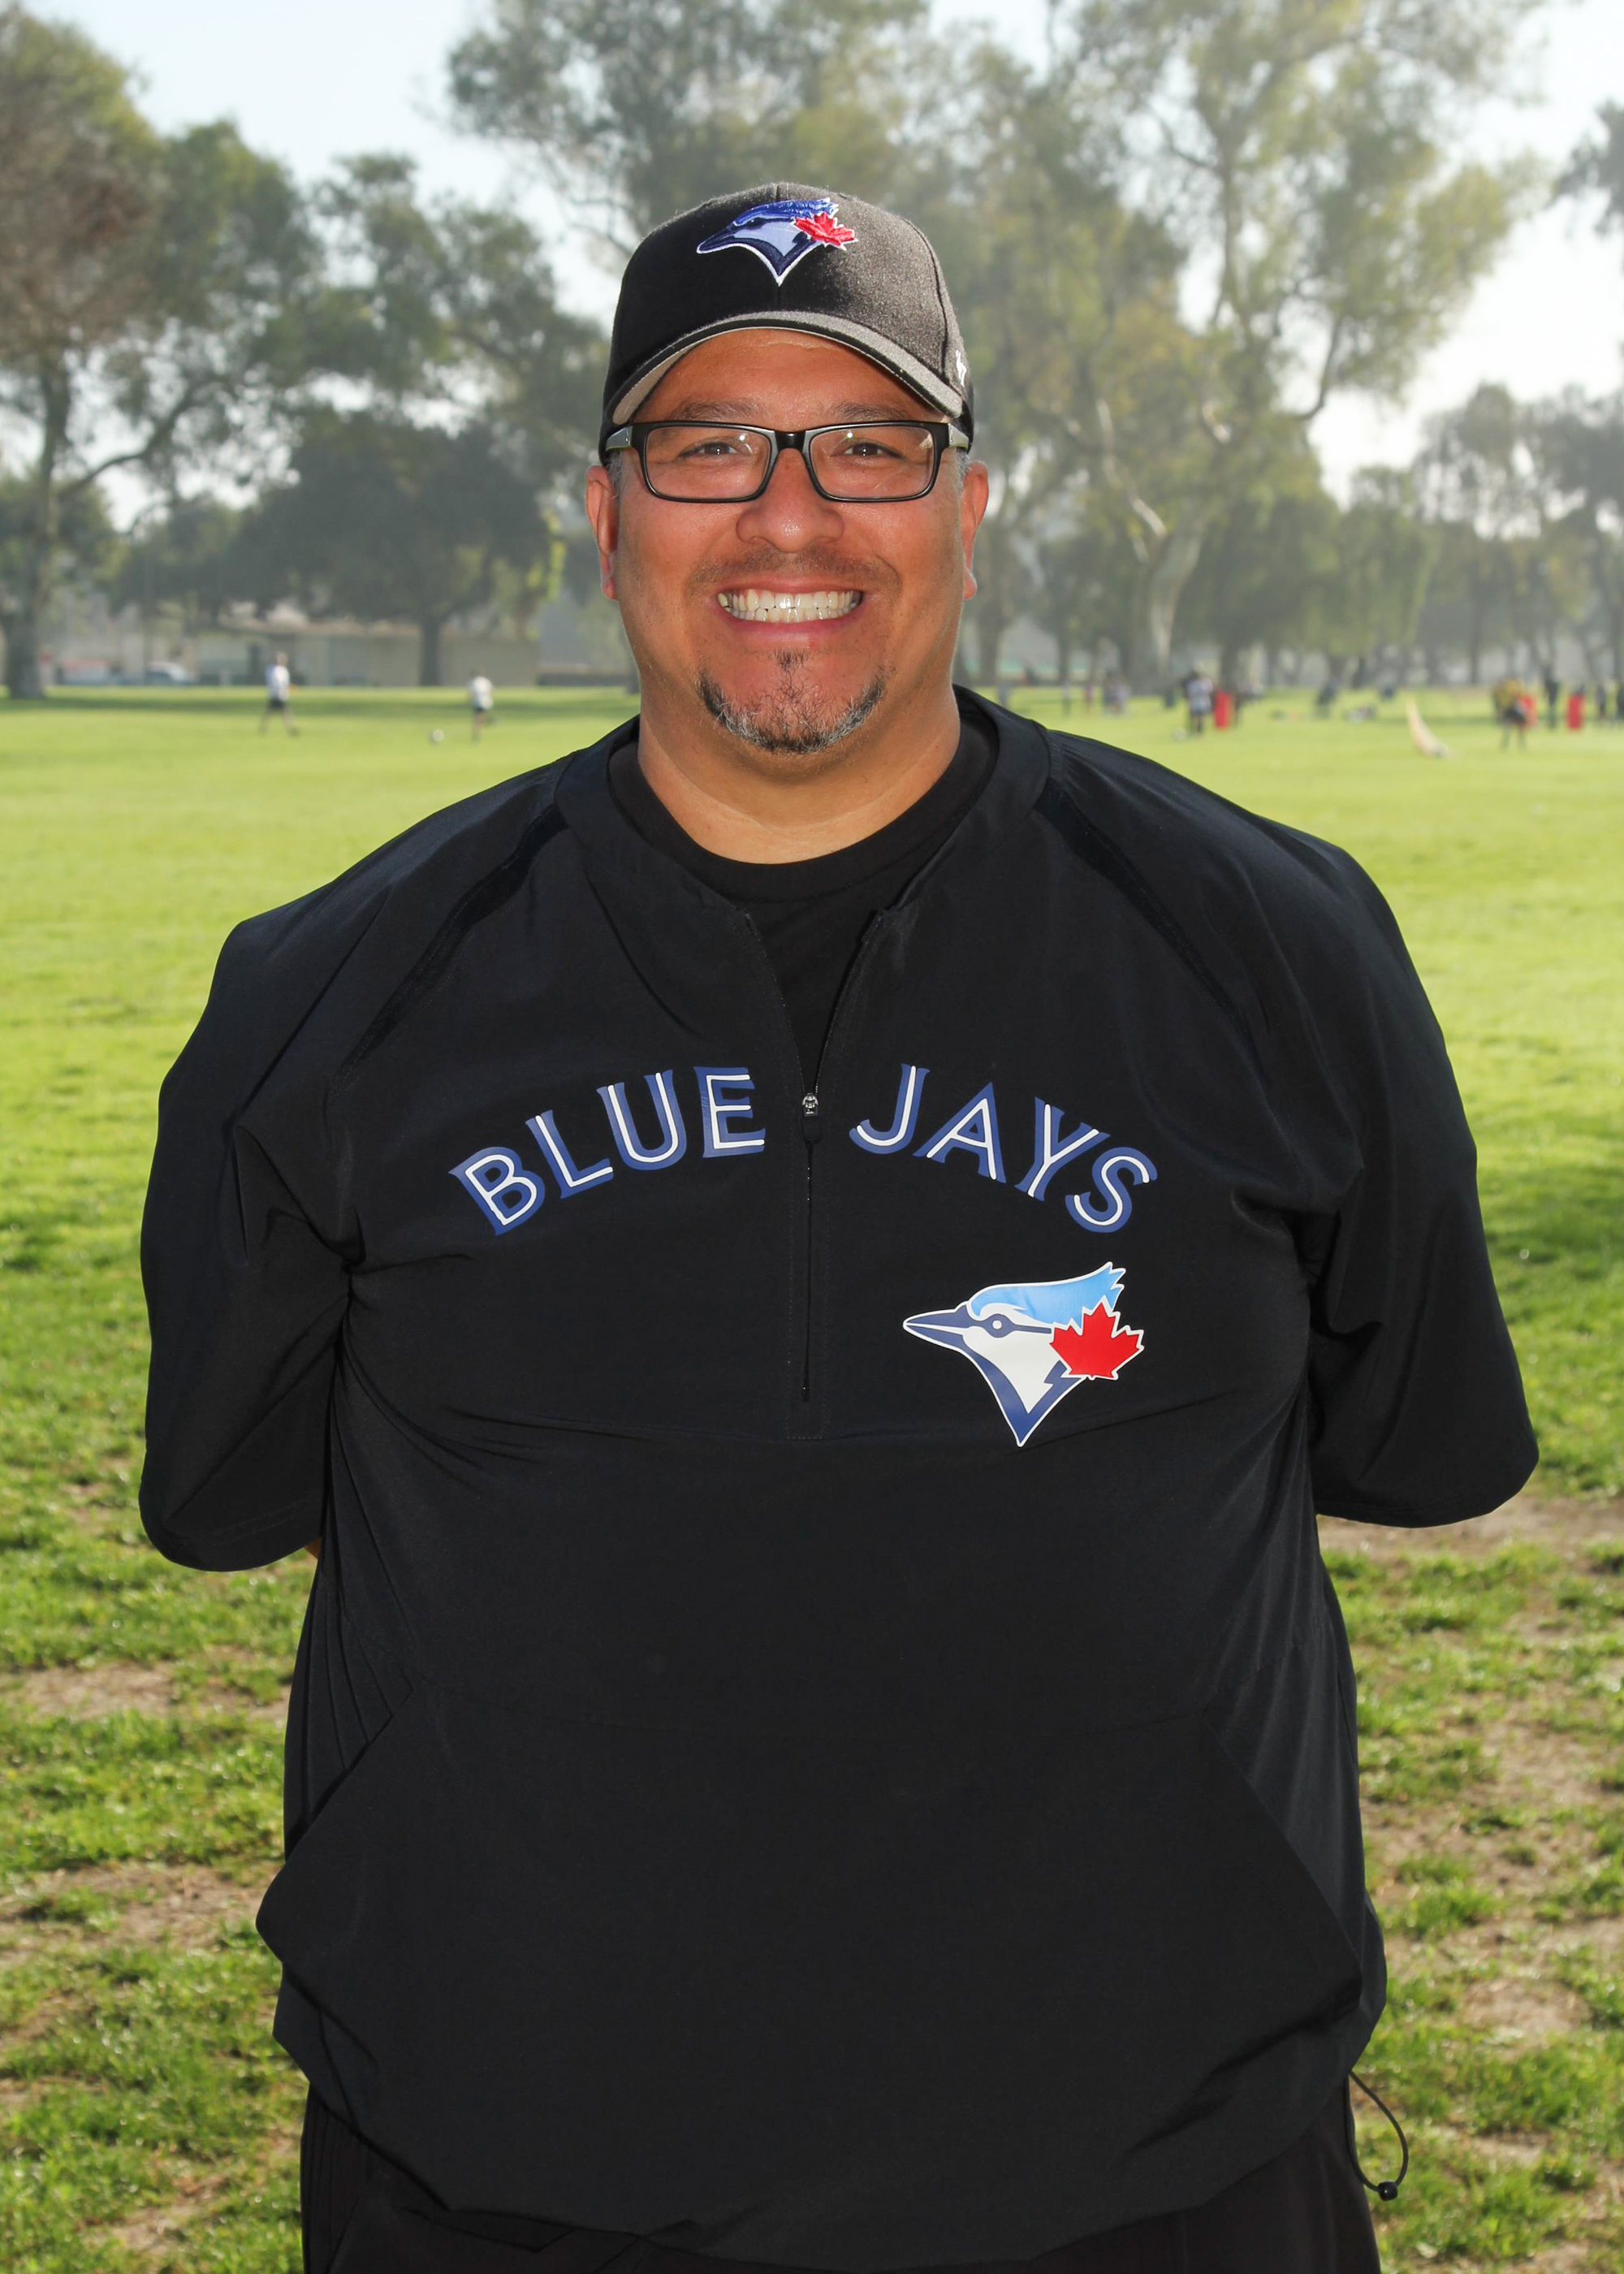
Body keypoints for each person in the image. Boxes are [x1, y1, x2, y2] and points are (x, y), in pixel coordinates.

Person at [140, 182, 1535, 2274]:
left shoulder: (1265, 943)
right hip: (509, 2178)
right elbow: (235, 1490)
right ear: (604, 514)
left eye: (867, 444)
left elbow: (1414, 1440)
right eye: (706, 444)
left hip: (1155, 2174)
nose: (786, 515)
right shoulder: (344, 988)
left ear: (967, 506)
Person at [259, 651, 296, 735]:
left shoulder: (283, 670)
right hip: (275, 695)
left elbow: (285, 682)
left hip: (282, 695)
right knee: (270, 712)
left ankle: (290, 729)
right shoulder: (272, 669)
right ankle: (263, 728)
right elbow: (274, 682)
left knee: (284, 712)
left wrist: (287, 689)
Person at [1185, 668, 1214, 734]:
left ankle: (1199, 731)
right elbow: (1190, 693)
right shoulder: (1192, 683)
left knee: (1201, 718)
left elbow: (1209, 690)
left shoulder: (1205, 682)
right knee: (1193, 718)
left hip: (1203, 703)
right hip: (1194, 703)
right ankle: (1193, 730)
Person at [469, 672, 495, 739]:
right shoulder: (486, 681)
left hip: (477, 701)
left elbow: (472, 693)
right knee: (482, 715)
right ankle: (479, 728)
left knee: (477, 716)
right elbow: (491, 690)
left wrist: (470, 701)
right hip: (486, 701)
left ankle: (477, 728)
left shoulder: (473, 682)